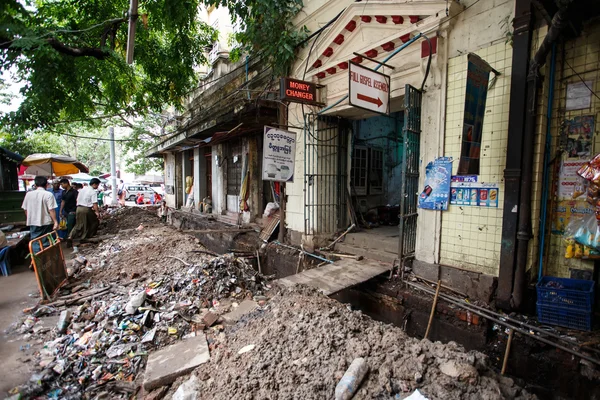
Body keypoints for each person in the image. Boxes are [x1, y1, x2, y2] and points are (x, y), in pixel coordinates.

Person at [21, 176, 59, 255]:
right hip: (46, 222)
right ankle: (46, 258)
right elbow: (51, 209)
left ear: (35, 185)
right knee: (47, 241)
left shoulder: (28, 194)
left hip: (33, 222)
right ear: (46, 185)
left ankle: (37, 260)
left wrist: (30, 218)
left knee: (35, 241)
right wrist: (55, 222)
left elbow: (25, 209)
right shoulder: (48, 194)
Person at [69, 178, 101, 246]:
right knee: (94, 222)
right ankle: (87, 236)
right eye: (97, 185)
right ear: (94, 184)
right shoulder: (93, 192)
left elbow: (77, 199)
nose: (98, 187)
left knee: (79, 224)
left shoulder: (82, 189)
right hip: (86, 209)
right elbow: (95, 203)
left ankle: (70, 236)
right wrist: (97, 212)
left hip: (78, 208)